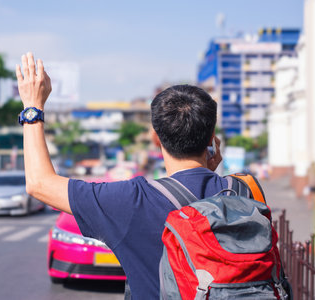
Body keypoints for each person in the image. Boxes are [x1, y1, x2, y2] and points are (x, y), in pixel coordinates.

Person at [16, 52, 223, 299]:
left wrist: (32, 108)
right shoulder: (245, 189)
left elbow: (40, 184)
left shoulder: (133, 201)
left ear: (156, 138)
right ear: (212, 140)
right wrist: (209, 174)